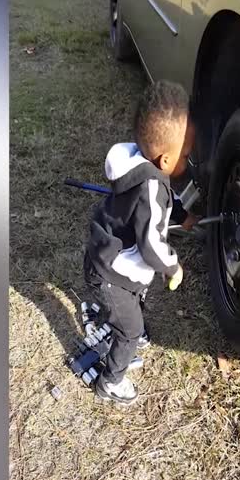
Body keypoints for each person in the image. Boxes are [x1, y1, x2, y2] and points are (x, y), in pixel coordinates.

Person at [83, 80, 198, 404]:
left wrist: (183, 214)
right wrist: (173, 266)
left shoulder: (142, 163)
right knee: (129, 331)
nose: (188, 161)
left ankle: (122, 319)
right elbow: (151, 245)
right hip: (110, 275)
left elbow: (163, 200)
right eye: (186, 155)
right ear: (164, 160)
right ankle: (111, 381)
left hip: (109, 258)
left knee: (135, 298)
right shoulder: (152, 190)